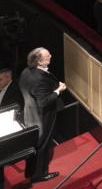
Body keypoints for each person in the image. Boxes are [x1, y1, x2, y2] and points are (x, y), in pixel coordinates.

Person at [19, 47, 66, 182]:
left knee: (35, 143)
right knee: (43, 143)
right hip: (43, 115)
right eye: (47, 55)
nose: (51, 56)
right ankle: (40, 174)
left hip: (30, 111)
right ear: (39, 62)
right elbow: (44, 102)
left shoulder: (26, 72)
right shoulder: (39, 79)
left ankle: (31, 171)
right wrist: (58, 91)